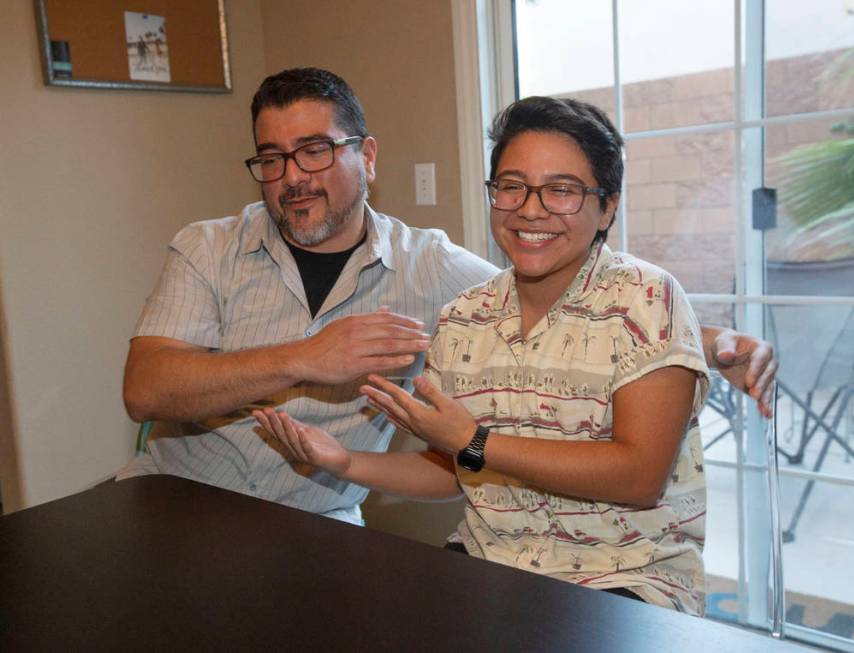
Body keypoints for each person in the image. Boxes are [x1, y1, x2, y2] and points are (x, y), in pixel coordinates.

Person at [120, 67, 776, 528]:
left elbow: (560, 295)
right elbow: (146, 389)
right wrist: (305, 356)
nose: (292, 176)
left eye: (314, 151)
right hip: (177, 502)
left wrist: (712, 340)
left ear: (367, 156)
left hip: (316, 522)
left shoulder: (430, 266)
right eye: (272, 157)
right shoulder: (206, 247)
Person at [253, 96, 720, 616]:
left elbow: (637, 475)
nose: (530, 208)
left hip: (626, 580)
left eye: (561, 190)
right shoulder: (462, 318)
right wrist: (343, 461)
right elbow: (452, 470)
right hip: (487, 563)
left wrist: (475, 443)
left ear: (607, 205)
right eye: (512, 186)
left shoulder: (646, 297)